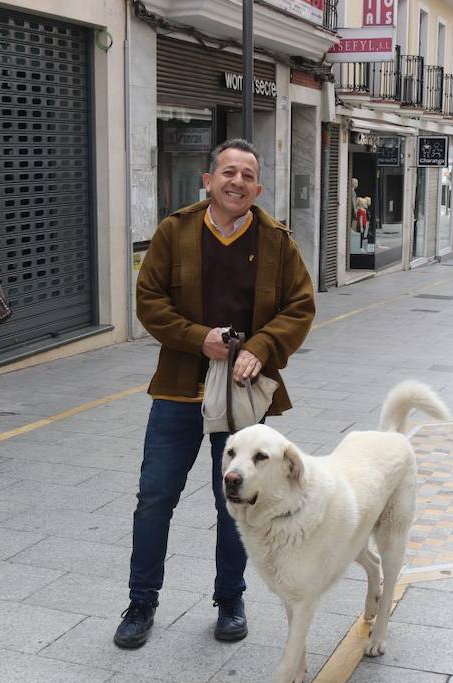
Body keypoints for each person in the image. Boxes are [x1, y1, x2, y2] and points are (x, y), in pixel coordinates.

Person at [114, 139, 315, 649]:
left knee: (239, 499)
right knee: (155, 497)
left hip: (243, 402)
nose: (237, 182)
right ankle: (141, 602)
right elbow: (149, 300)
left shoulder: (276, 240)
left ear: (258, 188)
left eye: (248, 175)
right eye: (228, 171)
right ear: (208, 180)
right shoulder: (175, 231)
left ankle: (230, 598)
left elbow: (300, 305)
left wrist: (263, 347)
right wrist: (196, 337)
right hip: (179, 393)